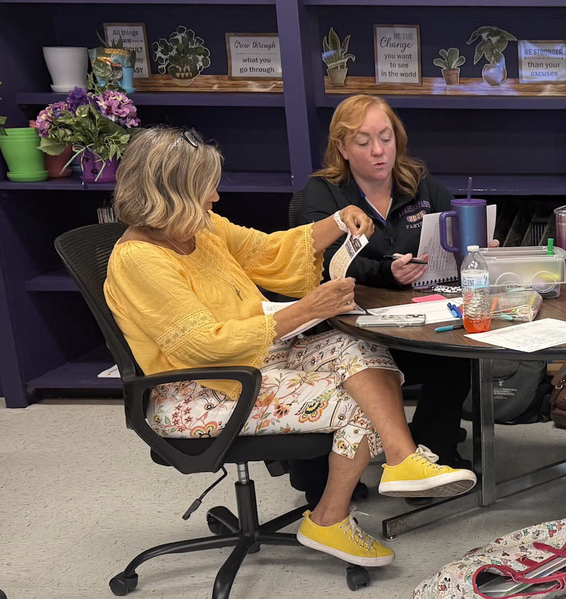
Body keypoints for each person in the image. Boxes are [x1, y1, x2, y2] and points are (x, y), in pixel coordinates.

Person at [104, 126, 477, 569]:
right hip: (198, 389)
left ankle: (402, 458)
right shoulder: (139, 260)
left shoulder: (197, 228)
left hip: (247, 360)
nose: (215, 199)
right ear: (171, 194)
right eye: (206, 189)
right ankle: (328, 519)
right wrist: (303, 310)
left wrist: (337, 222)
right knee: (356, 401)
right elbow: (201, 346)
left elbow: (264, 251)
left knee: (354, 346)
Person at [302, 95, 471, 468]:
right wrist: (385, 273)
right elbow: (322, 263)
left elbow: (453, 231)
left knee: (455, 360)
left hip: (421, 320)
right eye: (363, 142)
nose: (379, 151)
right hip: (353, 327)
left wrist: (474, 247)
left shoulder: (419, 183)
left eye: (386, 138)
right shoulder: (322, 192)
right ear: (342, 148)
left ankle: (432, 458)